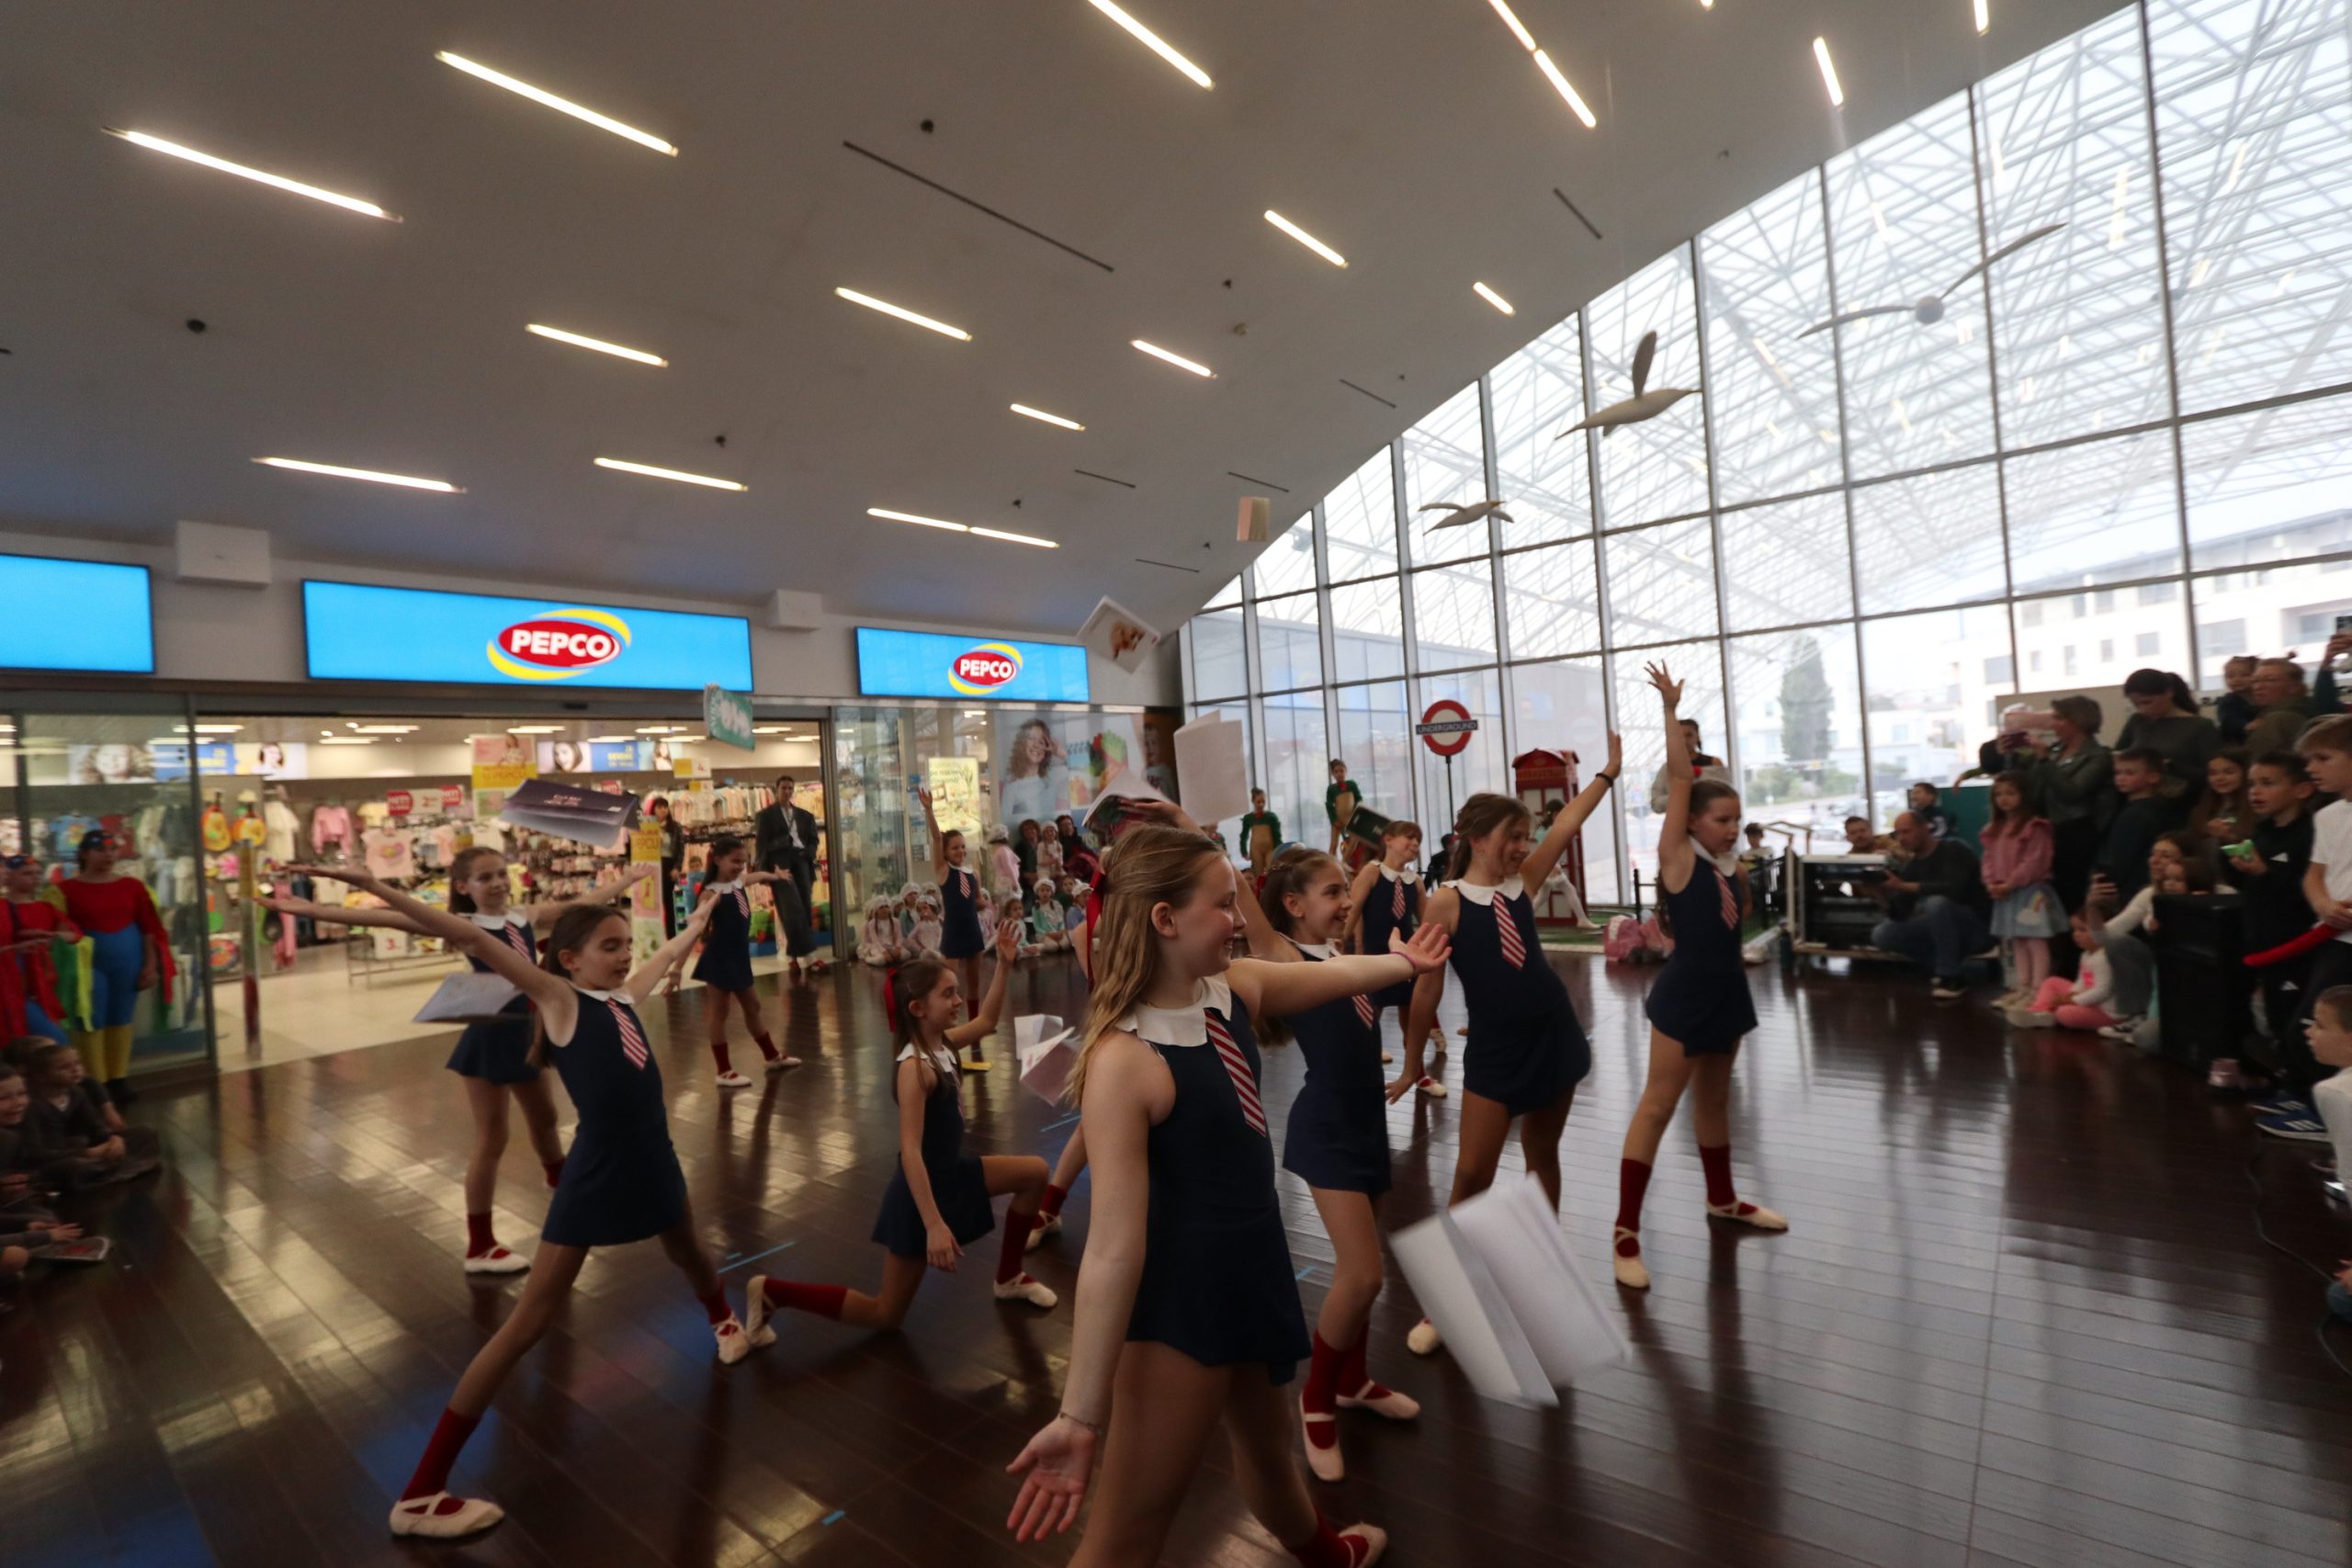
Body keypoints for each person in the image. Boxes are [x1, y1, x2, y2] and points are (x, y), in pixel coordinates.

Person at [1001, 810, 1446, 1566]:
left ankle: (1328, 1554)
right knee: (1126, 1535)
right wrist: (1080, 1415)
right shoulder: (1125, 1061)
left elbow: (1325, 976)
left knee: (1270, 1458)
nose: (1240, 919)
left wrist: (1403, 963)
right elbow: (1111, 1248)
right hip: (1183, 1306)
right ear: (1165, 919)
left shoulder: (1230, 989)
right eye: (1223, 904)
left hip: (1253, 1267)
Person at [368, 878, 768, 1540]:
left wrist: (701, 914)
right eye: (609, 947)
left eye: (625, 944)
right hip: (597, 1174)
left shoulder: (624, 997)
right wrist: (368, 886)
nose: (624, 954)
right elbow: (465, 934)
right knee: (527, 1323)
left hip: (654, 1158)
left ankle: (725, 1319)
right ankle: (420, 1492)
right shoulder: (558, 1001)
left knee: (690, 1250)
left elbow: (671, 951)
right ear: (568, 959)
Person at [268, 851, 651, 1272]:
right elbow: (391, 919)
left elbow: (579, 906)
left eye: (501, 874)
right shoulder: (466, 926)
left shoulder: (523, 915)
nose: (498, 883)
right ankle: (480, 1246)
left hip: (526, 1033)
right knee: (492, 1139)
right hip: (490, 1039)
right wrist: (315, 912)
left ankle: (565, 1191)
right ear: (463, 887)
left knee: (545, 1119)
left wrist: (627, 879)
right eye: (485, 878)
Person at [1387, 732, 1623, 1356]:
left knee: (1543, 1155)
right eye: (1511, 837)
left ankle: (1547, 1268)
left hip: (1553, 1034)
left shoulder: (1525, 881)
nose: (1522, 846)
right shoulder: (1446, 903)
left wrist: (1606, 773)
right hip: (1495, 1049)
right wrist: (1413, 1063)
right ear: (1474, 837)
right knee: (1472, 1172)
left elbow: (1566, 824)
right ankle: (1448, 1299)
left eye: (1525, 837)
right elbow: (1425, 989)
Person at [747, 919, 1057, 1334]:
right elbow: (910, 1151)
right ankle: (772, 1291)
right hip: (919, 1192)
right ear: (918, 1009)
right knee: (885, 1314)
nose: (958, 1001)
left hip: (951, 1172)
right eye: (948, 994)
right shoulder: (915, 1068)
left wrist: (1002, 965)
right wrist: (933, 1224)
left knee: (1035, 1173)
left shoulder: (942, 1043)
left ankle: (1009, 1277)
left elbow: (986, 1022)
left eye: (956, 992)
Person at [1240, 848, 1420, 1482]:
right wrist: (1189, 827)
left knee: (1363, 1273)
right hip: (1328, 1131)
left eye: (1347, 890)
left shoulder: (1341, 955)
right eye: (1334, 891)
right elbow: (1244, 900)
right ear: (1293, 905)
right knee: (1364, 1275)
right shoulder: (1287, 958)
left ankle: (1353, 1381)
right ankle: (1316, 1397)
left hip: (1367, 1125)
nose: (1347, 901)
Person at [1612, 665, 1780, 1293]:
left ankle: (1723, 1198)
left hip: (1727, 994)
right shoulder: (1679, 859)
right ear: (1691, 823)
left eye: (1737, 818)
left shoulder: (1731, 867)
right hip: (1684, 998)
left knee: (1714, 1102)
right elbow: (1681, 780)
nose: (1733, 828)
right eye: (1721, 820)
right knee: (1658, 1106)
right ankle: (1625, 1231)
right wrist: (1670, 714)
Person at [2246, 716, 2352, 1141]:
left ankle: (2329, 1114)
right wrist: (2324, 905)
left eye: (2323, 758)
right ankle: (2316, 1100)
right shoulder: (2328, 816)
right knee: (2307, 1027)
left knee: (2328, 1028)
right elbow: (2315, 874)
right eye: (2309, 760)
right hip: (2333, 936)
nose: (2312, 768)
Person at [2221, 753, 2316, 1092]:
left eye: (2268, 783)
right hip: (2261, 938)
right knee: (2269, 1016)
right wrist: (2231, 855)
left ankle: (2303, 1091)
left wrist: (2265, 872)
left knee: (2294, 1018)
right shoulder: (2262, 831)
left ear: (2302, 789)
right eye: (2252, 784)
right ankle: (2279, 1081)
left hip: (2296, 943)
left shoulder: (2309, 835)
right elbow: (2244, 883)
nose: (2255, 792)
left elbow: (2307, 891)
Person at [58, 830, 173, 1107]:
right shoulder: (65, 890)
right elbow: (59, 931)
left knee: (121, 1018)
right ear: (84, 854)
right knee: (90, 1020)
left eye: (112, 849)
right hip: (89, 967)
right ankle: (95, 1084)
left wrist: (150, 965)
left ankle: (118, 1079)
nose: (109, 855)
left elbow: (149, 929)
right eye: (101, 850)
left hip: (128, 963)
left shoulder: (132, 887)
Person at [688, 837, 799, 1087]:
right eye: (735, 861)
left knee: (753, 1006)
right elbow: (695, 930)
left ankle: (772, 1056)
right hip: (719, 958)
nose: (740, 866)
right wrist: (676, 969)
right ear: (718, 860)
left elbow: (755, 876)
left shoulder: (738, 882)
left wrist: (775, 875)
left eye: (743, 861)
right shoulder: (710, 893)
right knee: (720, 1012)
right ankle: (723, 1071)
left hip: (738, 957)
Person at [1865, 813, 1993, 999]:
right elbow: (1900, 913)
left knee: (1936, 903)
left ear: (1924, 828)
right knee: (1882, 934)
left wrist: (1903, 886)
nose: (1901, 838)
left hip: (1977, 927)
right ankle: (1945, 964)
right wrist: (1879, 894)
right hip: (1942, 927)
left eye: (1906, 832)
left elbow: (1954, 889)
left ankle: (1950, 976)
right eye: (1897, 833)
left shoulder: (1953, 848)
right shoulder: (1912, 866)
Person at [1342, 819, 1424, 1075]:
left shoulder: (1415, 881)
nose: (1415, 844)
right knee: (1370, 1012)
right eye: (1409, 837)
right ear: (1388, 839)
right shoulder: (1372, 872)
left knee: (1410, 1014)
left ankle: (1416, 1072)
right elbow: (1352, 911)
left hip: (1405, 956)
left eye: (1418, 840)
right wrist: (1340, 944)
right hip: (1375, 955)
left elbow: (1429, 923)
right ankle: (1361, 1063)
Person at [921, 787, 993, 1069]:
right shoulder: (943, 871)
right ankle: (943, 1026)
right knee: (947, 981)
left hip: (972, 928)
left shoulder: (971, 872)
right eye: (955, 848)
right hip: (953, 930)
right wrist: (929, 810)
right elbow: (936, 837)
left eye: (963, 847)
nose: (960, 851)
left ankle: (975, 1027)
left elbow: (974, 901)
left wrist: (982, 902)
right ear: (945, 852)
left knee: (974, 981)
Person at [22, 1041, 161, 1187]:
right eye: (64, 1067)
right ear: (41, 1076)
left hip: (87, 1149)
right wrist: (88, 1153)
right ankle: (115, 1169)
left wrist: (113, 1139)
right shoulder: (31, 1105)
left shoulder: (77, 1093)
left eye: (77, 1064)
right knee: (74, 1167)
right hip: (61, 1158)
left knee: (146, 1132)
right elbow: (36, 1154)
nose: (75, 1070)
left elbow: (96, 1128)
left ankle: (108, 1170)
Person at [2023, 694, 2115, 912]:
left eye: (2059, 718)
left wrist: (2044, 761)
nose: (2053, 725)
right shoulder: (2056, 751)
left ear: (2078, 720)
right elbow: (2033, 789)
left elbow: (2072, 792)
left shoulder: (2098, 756)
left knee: (2072, 893)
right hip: (2049, 829)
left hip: (2077, 832)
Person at [1980, 772, 2063, 1009]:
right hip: (2005, 892)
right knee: (2017, 940)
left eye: (2010, 793)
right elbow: (1988, 859)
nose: (2004, 799)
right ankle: (2022, 986)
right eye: (1998, 794)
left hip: (2029, 892)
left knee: (2035, 940)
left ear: (2024, 795)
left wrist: (2011, 883)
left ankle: (2038, 989)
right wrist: (1991, 882)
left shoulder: (2035, 827)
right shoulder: (1995, 828)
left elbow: (2035, 861)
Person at [2005, 904, 2121, 1031]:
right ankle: (2039, 1011)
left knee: (2064, 1013)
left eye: (2082, 930)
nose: (2076, 935)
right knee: (2052, 982)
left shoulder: (2104, 957)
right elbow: (2082, 981)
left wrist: (2073, 1000)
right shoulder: (2087, 955)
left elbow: (2103, 991)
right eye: (2074, 930)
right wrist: (2071, 994)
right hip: (2087, 1000)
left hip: (2105, 1012)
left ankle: (2049, 1014)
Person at [2, 854, 78, 1044]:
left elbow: (75, 934)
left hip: (40, 984)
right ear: (9, 877)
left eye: (37, 873)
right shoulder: (4, 908)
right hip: (13, 986)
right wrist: (15, 949)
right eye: (27, 873)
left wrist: (52, 937)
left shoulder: (45, 908)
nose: (34, 877)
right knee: (55, 1041)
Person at [753, 774, 826, 976]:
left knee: (804, 908)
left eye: (790, 788)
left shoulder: (805, 816)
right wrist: (765, 871)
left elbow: (813, 840)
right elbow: (761, 845)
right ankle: (810, 957)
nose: (787, 792)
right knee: (791, 909)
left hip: (801, 863)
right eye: (783, 788)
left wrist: (809, 853)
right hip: (780, 865)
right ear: (776, 790)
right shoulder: (765, 816)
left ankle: (793, 956)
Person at [2113, 668, 2221, 796]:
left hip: (2180, 796)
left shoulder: (2200, 726)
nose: (2142, 710)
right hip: (2137, 796)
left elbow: (2214, 772)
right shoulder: (2138, 721)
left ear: (2169, 693)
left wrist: (2172, 767)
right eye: (2135, 705)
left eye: (2147, 702)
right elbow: (2119, 754)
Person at [2096, 748, 2180, 902]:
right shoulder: (2158, 807)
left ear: (2153, 777)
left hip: (2131, 890)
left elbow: (2121, 858)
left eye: (2129, 773)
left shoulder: (2135, 815)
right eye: (2117, 773)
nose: (2121, 778)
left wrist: (2107, 882)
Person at [1003, 721, 1073, 847]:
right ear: (1022, 743)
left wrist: (1057, 751)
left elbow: (1081, 768)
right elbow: (1005, 820)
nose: (1036, 745)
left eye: (1041, 742)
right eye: (1031, 739)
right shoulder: (1012, 785)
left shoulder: (1052, 775)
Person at [1647, 719, 1729, 815]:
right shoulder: (1667, 768)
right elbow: (1656, 804)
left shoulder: (1714, 763)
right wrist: (1680, 796)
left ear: (1697, 737)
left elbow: (1728, 793)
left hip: (1712, 818)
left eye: (1689, 735)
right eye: (1679, 736)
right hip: (1680, 821)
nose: (1684, 740)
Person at [2188, 748, 2252, 863]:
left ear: (2246, 773)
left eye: (2229, 772)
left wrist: (2229, 838)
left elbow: (2255, 856)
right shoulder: (2200, 811)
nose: (2219, 778)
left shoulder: (2256, 809)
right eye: (2213, 773)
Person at [2245, 658, 2315, 760]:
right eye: (2254, 681)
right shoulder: (2264, 714)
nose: (2258, 687)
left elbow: (2262, 761)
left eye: (2270, 680)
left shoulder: (2280, 719)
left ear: (2294, 687)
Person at [648, 795, 685, 936]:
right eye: (659, 807)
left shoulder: (675, 827)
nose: (663, 810)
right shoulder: (648, 826)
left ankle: (671, 935)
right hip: (652, 866)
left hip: (668, 866)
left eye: (665, 807)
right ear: (654, 809)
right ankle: (653, 935)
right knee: (652, 902)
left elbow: (681, 850)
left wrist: (677, 868)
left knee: (668, 902)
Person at [2215, 655, 2262, 744]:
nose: (2237, 680)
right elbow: (2227, 721)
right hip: (2236, 741)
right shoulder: (2228, 701)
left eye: (2245, 675)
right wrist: (2245, 725)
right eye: (2230, 677)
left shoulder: (2261, 698)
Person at [1241, 789, 1283, 880]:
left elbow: (1277, 835)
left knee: (1271, 871)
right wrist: (1244, 851)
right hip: (1256, 849)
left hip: (1270, 849)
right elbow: (1244, 835)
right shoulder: (1248, 818)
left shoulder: (1271, 817)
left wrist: (1279, 851)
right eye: (1258, 802)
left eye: (1263, 801)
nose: (1261, 804)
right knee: (1258, 873)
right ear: (1253, 801)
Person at [1323, 760, 1360, 857]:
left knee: (1354, 841)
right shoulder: (1331, 789)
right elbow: (1329, 806)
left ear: (1345, 771)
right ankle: (1331, 862)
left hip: (1350, 819)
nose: (1339, 774)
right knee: (1333, 844)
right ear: (1332, 774)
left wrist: (1356, 816)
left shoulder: (1352, 785)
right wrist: (1334, 820)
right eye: (1336, 772)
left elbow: (1359, 800)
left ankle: (1345, 861)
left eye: (1341, 771)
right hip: (1337, 821)